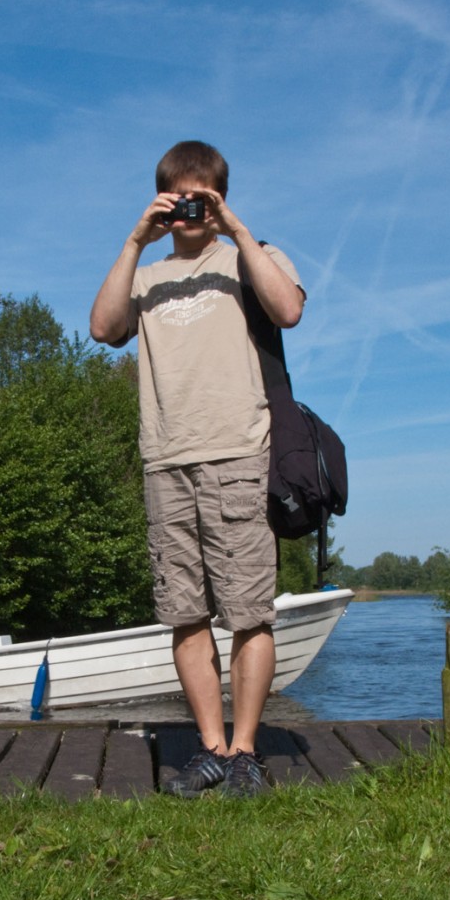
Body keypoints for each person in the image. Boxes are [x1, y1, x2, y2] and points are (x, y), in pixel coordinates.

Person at [89, 140, 304, 797]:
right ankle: (211, 748)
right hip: (166, 461)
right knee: (183, 614)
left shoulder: (248, 257)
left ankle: (245, 752)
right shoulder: (147, 278)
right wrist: (134, 239)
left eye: (201, 196)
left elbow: (289, 309)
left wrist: (233, 226)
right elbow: (103, 327)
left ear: (218, 196)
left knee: (249, 614)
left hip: (239, 453)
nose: (189, 208)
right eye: (178, 197)